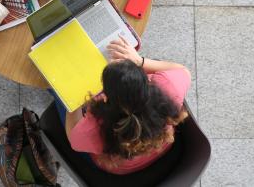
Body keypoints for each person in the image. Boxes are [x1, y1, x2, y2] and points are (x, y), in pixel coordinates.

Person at [62, 36, 190, 175]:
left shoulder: (93, 129)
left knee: (61, 99)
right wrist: (140, 61)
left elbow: (73, 139)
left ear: (105, 97)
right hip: (161, 147)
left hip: (121, 169)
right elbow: (182, 70)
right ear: (146, 80)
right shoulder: (169, 87)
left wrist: (71, 97)